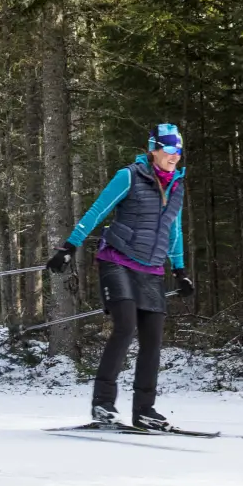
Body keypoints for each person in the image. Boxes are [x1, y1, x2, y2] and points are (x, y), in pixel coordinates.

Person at [45, 123, 194, 430]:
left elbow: (173, 230)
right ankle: (103, 404)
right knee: (125, 328)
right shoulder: (129, 175)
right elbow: (98, 210)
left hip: (151, 269)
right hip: (118, 260)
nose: (173, 156)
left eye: (177, 151)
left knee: (153, 339)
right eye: (168, 150)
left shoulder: (177, 184)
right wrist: (69, 246)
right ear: (152, 149)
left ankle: (144, 410)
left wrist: (179, 270)